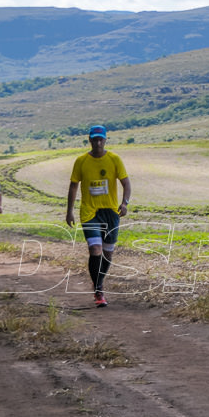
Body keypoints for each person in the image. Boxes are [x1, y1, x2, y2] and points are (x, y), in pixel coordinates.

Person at [66, 125, 131, 307]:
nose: (98, 142)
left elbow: (126, 183)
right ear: (90, 140)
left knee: (108, 254)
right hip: (89, 212)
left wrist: (125, 203)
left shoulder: (114, 159)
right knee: (95, 250)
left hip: (110, 212)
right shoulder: (81, 161)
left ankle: (98, 282)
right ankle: (98, 289)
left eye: (101, 139)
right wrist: (69, 210)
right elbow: (73, 186)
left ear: (105, 140)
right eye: (95, 139)